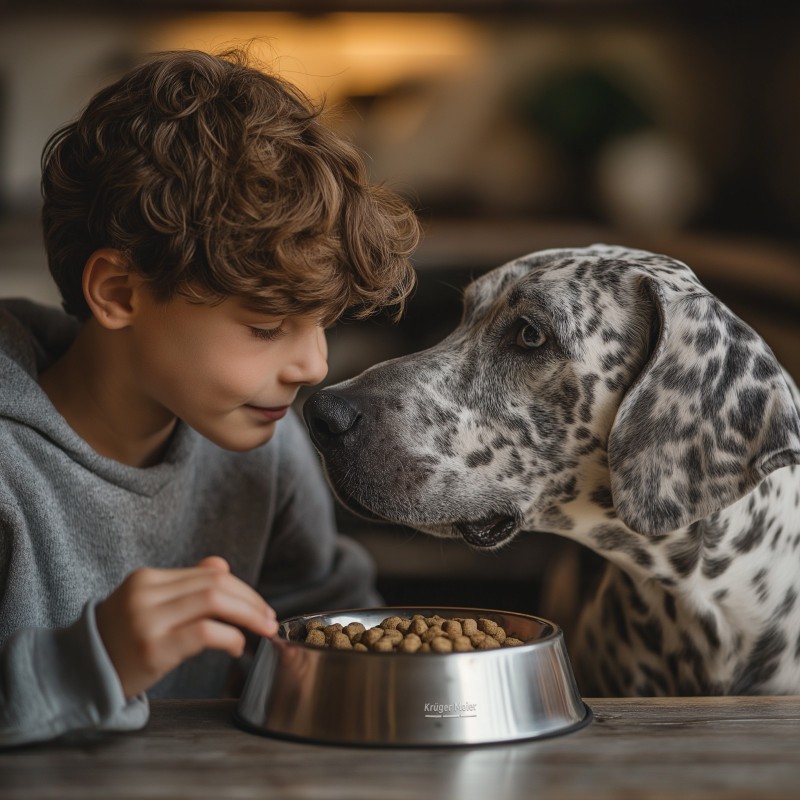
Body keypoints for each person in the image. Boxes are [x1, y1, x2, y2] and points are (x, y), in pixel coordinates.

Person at [0, 48, 419, 746]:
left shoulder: (268, 448)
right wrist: (89, 660)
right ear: (118, 292)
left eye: (324, 323)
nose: (314, 365)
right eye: (264, 326)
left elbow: (328, 623)